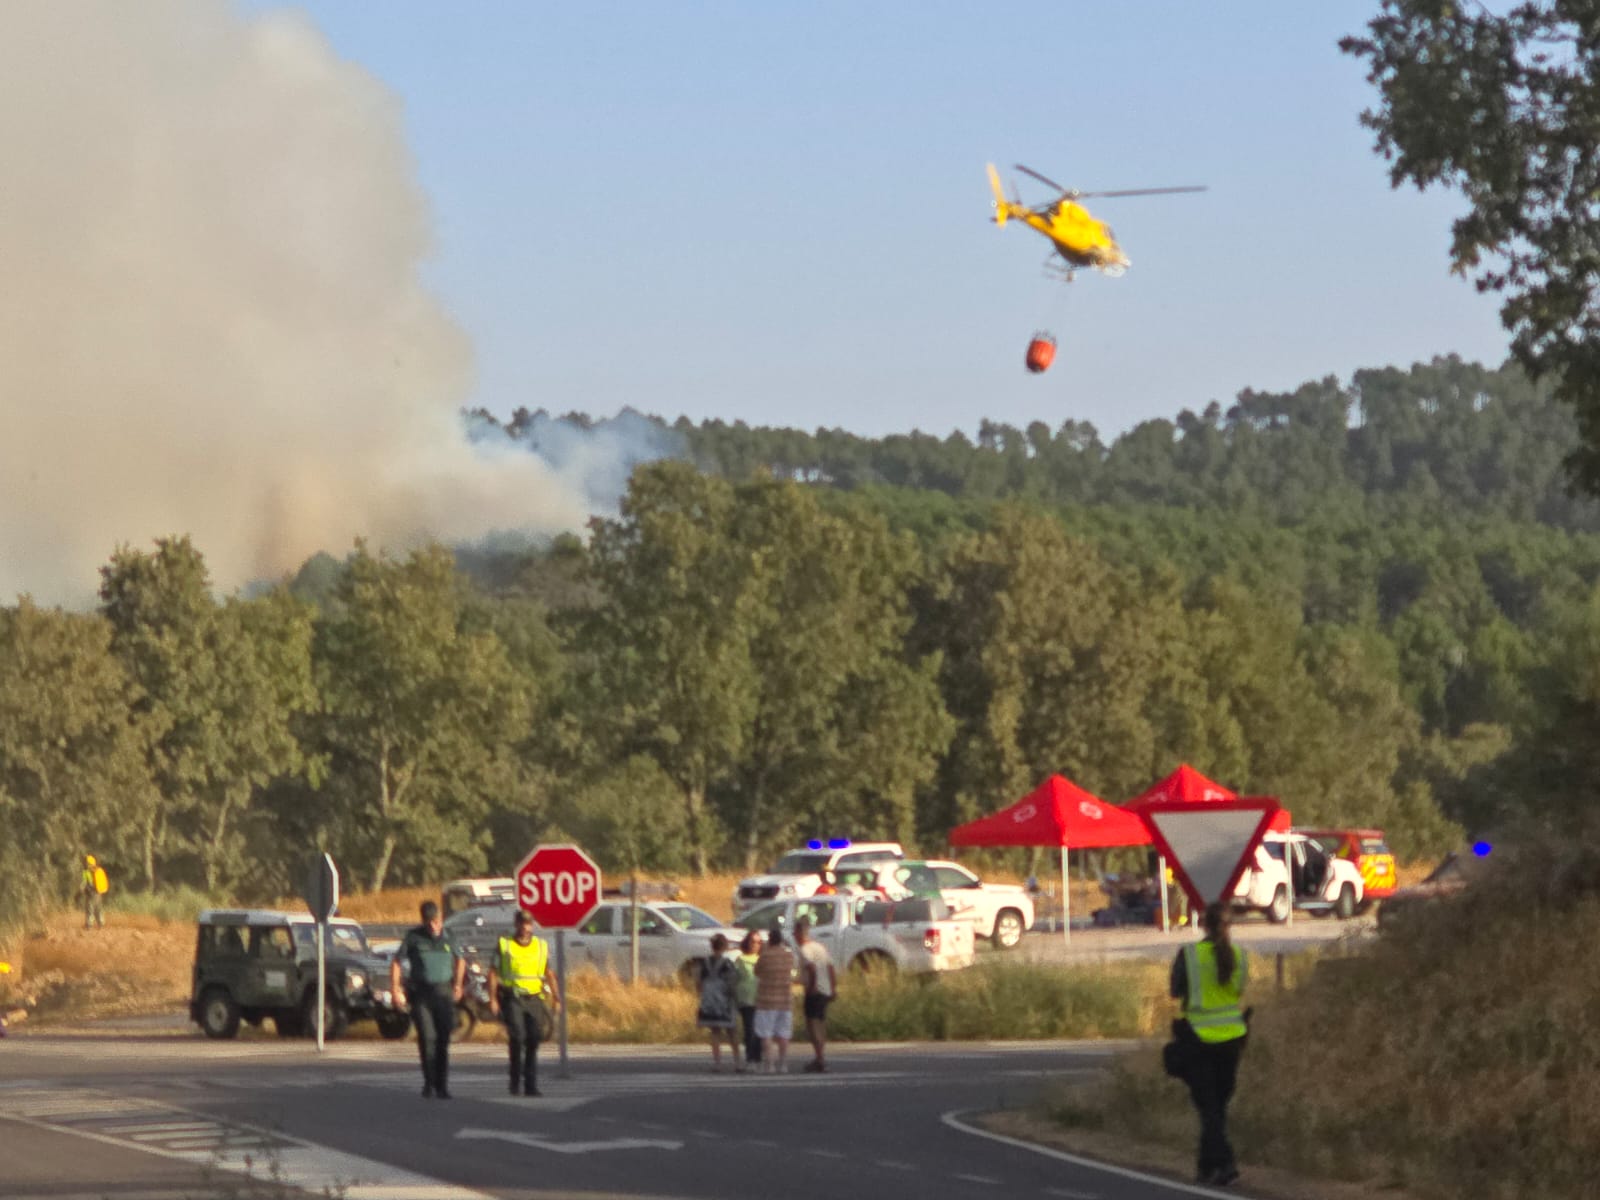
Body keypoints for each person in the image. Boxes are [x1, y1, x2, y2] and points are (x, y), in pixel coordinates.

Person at [1170, 901, 1249, 1187]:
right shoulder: (1240, 955)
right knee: (1216, 1107)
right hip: (1232, 1041)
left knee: (1209, 1108)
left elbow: (1175, 990)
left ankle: (1226, 1163)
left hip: (1199, 1040)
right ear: (1230, 926)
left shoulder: (1189, 954)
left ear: (1204, 925)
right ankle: (1205, 1168)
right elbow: (1238, 990)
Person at [389, 900, 466, 1099]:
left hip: (443, 993)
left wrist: (458, 984)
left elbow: (461, 960)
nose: (434, 926)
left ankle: (443, 1085)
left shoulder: (449, 937)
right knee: (427, 1038)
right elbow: (397, 963)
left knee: (443, 1039)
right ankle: (429, 1083)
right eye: (429, 922)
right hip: (422, 994)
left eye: (437, 921)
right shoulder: (414, 937)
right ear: (423, 921)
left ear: (441, 919)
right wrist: (396, 989)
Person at [487, 910, 559, 1097]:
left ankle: (531, 1085)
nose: (525, 927)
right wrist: (493, 999)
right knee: (518, 1038)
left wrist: (556, 998)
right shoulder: (505, 945)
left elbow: (548, 973)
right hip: (513, 998)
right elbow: (493, 973)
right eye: (522, 923)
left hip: (535, 999)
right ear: (516, 924)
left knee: (534, 1039)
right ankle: (515, 1081)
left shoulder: (540, 946)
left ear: (532, 925)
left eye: (528, 924)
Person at [793, 917, 836, 1073]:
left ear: (799, 933)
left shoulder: (804, 950)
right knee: (821, 1024)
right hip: (825, 990)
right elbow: (830, 967)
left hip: (814, 991)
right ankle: (820, 1056)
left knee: (812, 1026)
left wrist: (811, 987)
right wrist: (833, 987)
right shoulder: (820, 947)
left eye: (795, 932)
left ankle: (820, 1058)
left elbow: (811, 969)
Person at [752, 926, 797, 1074]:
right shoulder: (788, 956)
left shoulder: (765, 956)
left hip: (766, 1000)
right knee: (783, 1034)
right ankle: (783, 1064)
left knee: (766, 1034)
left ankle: (769, 1065)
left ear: (770, 939)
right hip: (785, 1000)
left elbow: (756, 971)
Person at [695, 933, 740, 1072]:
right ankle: (738, 1062)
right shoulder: (727, 963)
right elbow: (732, 982)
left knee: (715, 1031)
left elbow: (699, 982)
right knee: (731, 1031)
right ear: (725, 946)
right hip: (724, 1000)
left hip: (709, 1000)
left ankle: (717, 1063)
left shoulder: (705, 962)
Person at [733, 930, 762, 1071]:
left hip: (760, 998)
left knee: (760, 1030)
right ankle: (750, 1057)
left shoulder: (761, 959)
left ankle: (758, 1057)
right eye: (753, 941)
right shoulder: (741, 959)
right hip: (745, 998)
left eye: (758, 942)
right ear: (747, 942)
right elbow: (735, 977)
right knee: (749, 1029)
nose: (755, 945)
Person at [81, 855, 108, 930]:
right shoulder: (91, 871)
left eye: (86, 863)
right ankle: (98, 923)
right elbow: (85, 881)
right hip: (94, 892)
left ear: (90, 863)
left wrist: (82, 888)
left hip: (94, 892)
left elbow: (85, 882)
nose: (85, 864)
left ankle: (91, 924)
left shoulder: (94, 871)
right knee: (95, 908)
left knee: (92, 908)